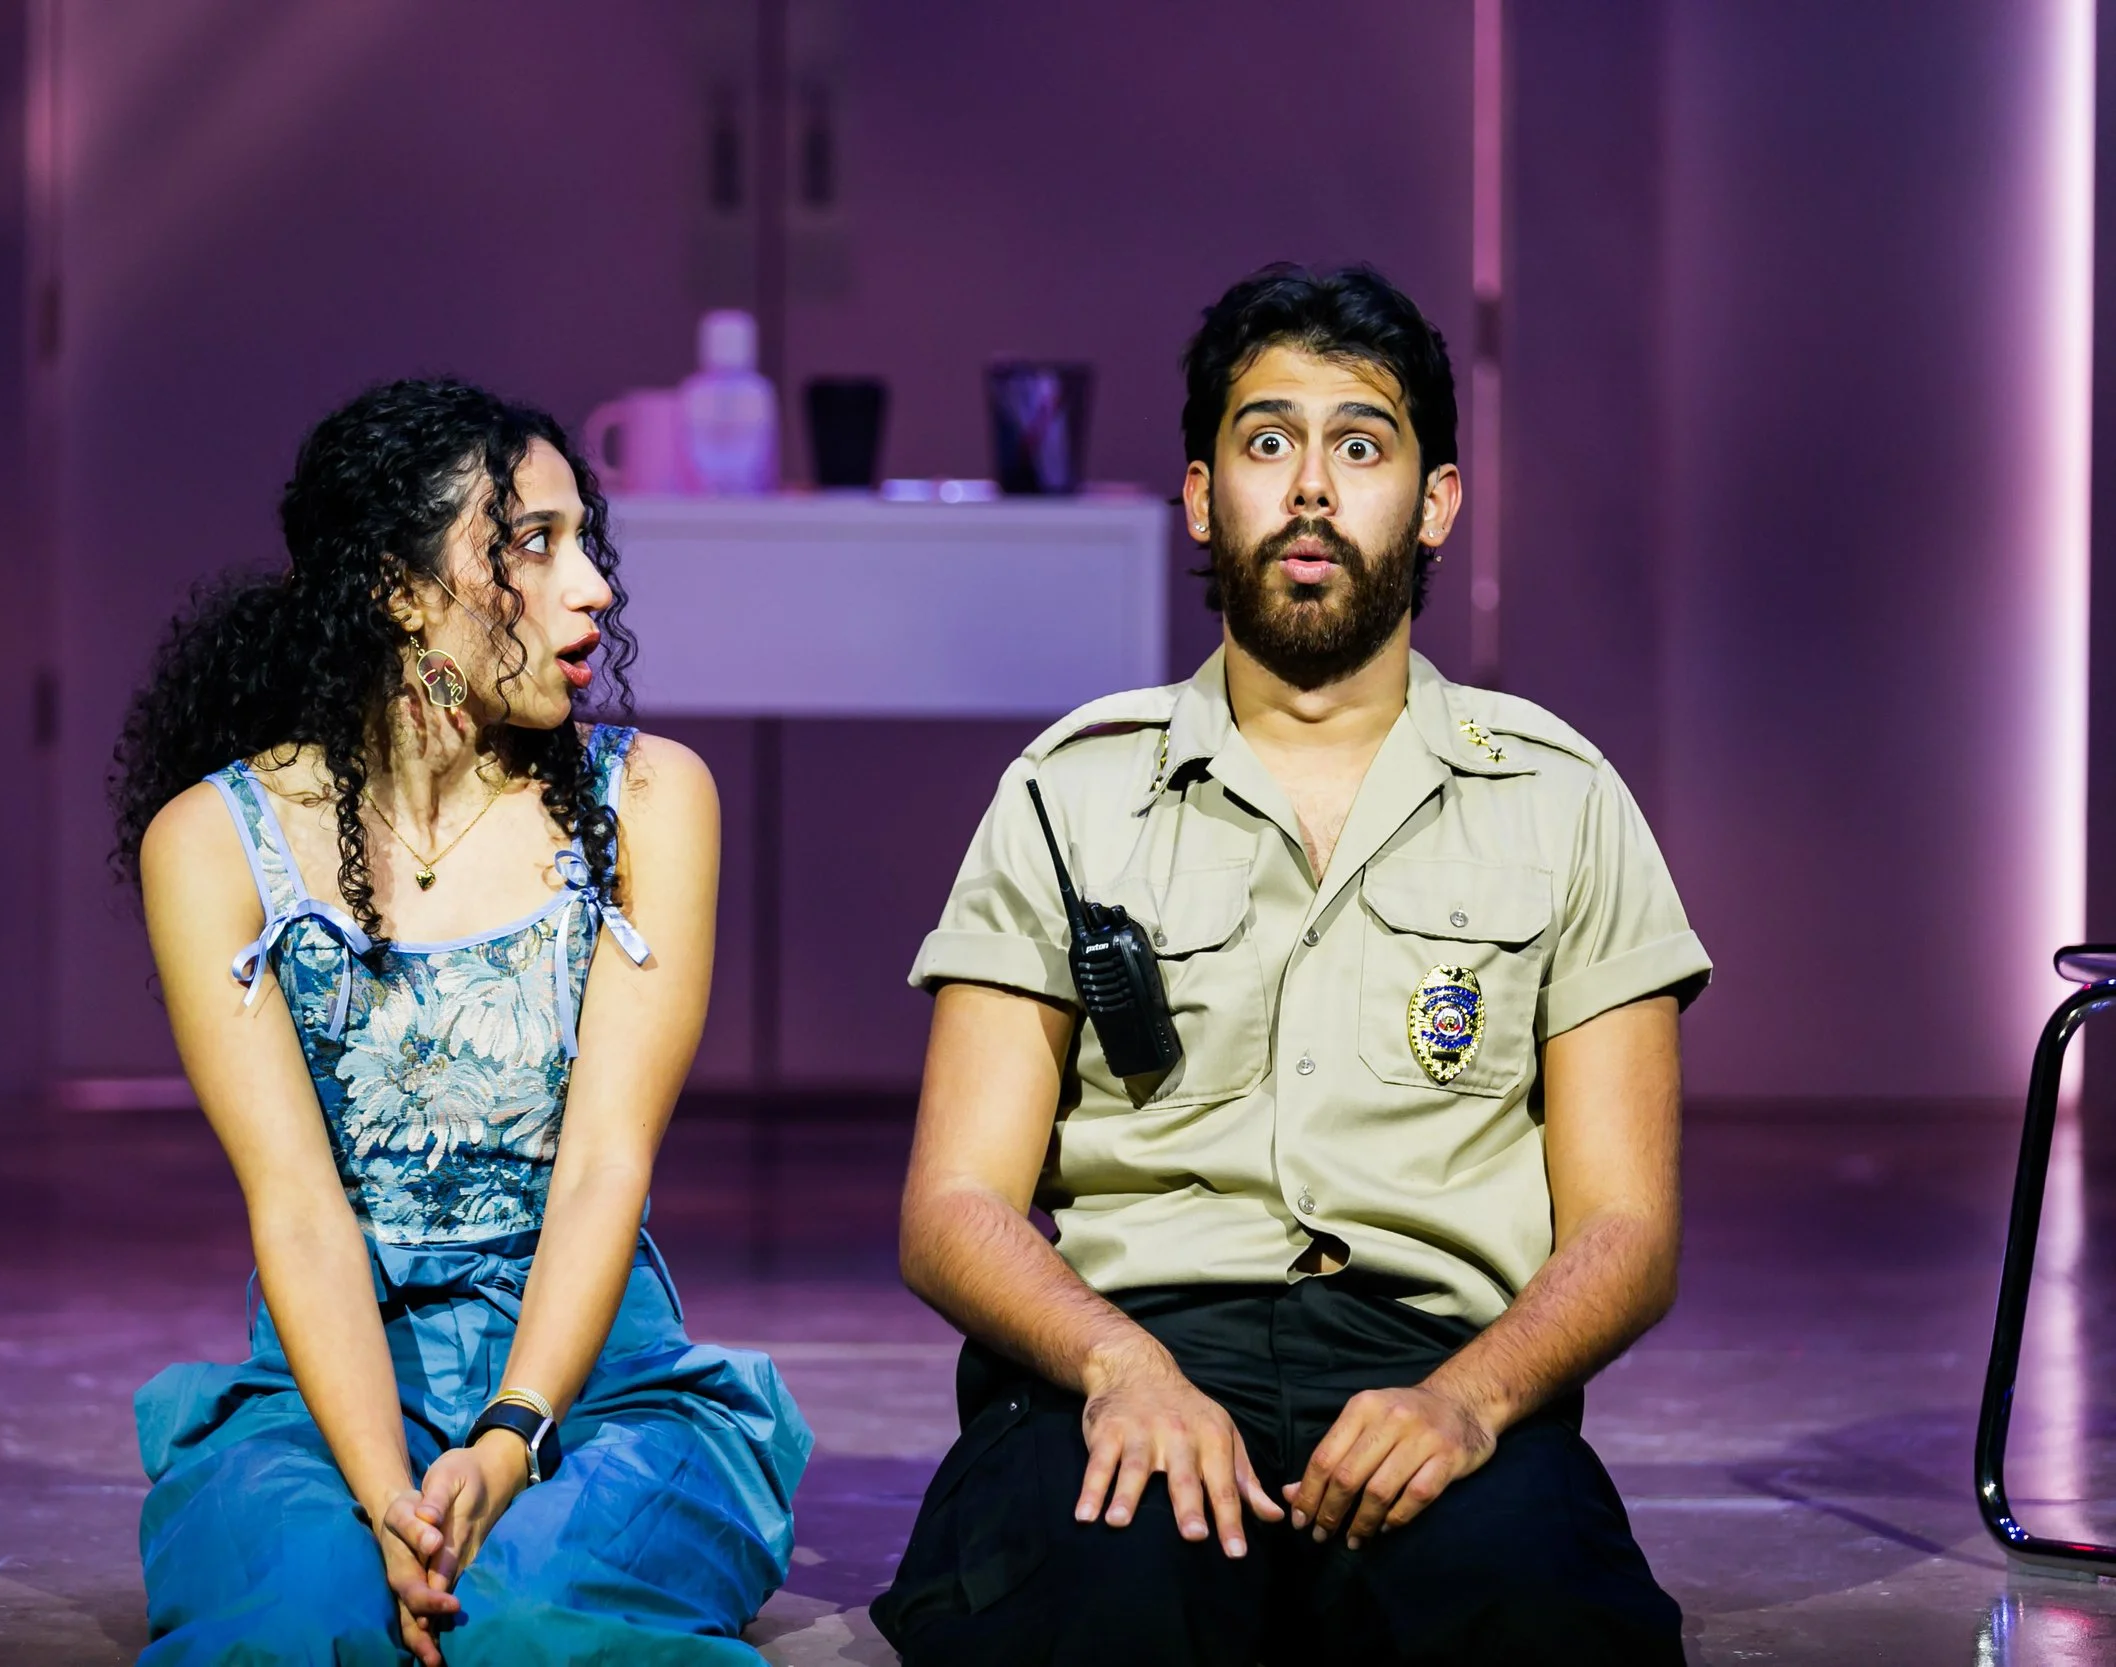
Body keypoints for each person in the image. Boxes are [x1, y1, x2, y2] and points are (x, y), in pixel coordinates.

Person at [870, 264, 1709, 1666]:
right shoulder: (1068, 793)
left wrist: (1470, 1400)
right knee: (1086, 1622)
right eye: (1268, 441)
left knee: (1542, 1627)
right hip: (1125, 1356)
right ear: (1203, 497)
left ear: (1435, 501)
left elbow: (1626, 1227)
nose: (1312, 486)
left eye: (1361, 446)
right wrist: (1121, 1364)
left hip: (1431, 1371)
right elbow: (954, 1203)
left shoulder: (1562, 799)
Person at [110, 378, 810, 1665]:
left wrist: (511, 1431)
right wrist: (388, 1491)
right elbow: (297, 1205)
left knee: (528, 1622)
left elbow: (605, 1165)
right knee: (298, 1621)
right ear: (398, 590)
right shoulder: (213, 841)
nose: (594, 587)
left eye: (584, 540)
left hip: (596, 1382)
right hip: (326, 1386)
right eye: (533, 545)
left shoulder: (652, 800)